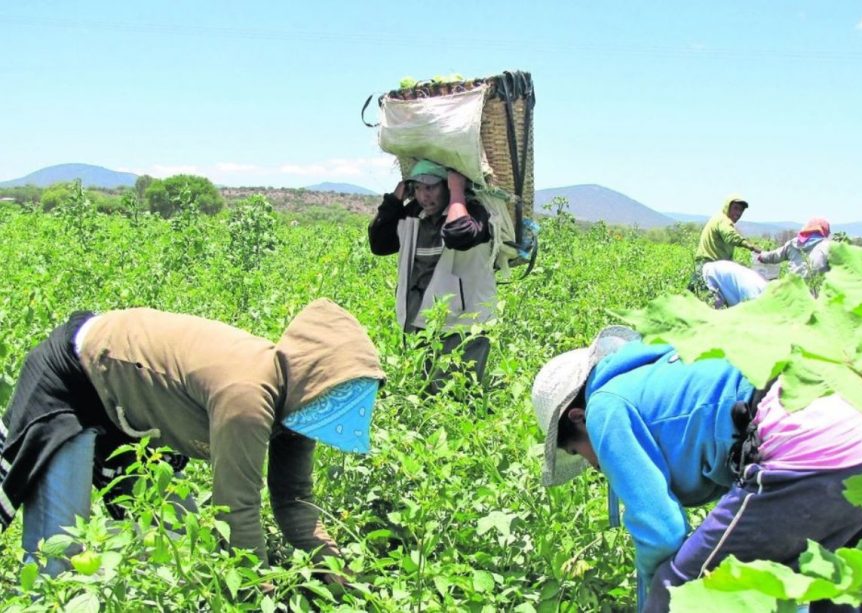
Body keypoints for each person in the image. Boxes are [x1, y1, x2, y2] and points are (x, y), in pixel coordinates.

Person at [0, 299, 385, 578]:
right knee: (59, 556)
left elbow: (294, 499)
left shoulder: (298, 407)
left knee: (177, 541)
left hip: (129, 412)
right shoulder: (247, 396)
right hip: (76, 375)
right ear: (314, 376)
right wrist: (255, 594)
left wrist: (337, 573)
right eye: (335, 395)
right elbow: (236, 511)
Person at [532, 326, 862, 612]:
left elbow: (661, 533)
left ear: (578, 417)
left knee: (679, 591)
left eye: (578, 452)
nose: (592, 465)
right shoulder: (663, 367)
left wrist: (650, 596)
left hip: (814, 447)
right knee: (845, 595)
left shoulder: (605, 408)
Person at [368, 159, 495, 392]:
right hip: (419, 320)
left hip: (463, 324)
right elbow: (379, 243)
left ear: (446, 185)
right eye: (417, 188)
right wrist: (395, 200)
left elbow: (459, 234)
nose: (424, 196)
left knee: (458, 395)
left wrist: (457, 193)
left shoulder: (474, 211)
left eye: (431, 187)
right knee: (423, 391)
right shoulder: (413, 214)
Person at [689, 196, 762, 294]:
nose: (738, 213)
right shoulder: (723, 220)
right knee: (709, 301)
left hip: (705, 265)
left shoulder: (718, 218)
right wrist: (750, 246)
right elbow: (730, 236)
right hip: (709, 267)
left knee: (690, 298)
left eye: (741, 210)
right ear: (728, 207)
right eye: (735, 208)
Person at [757, 217, 831, 279]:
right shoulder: (828, 246)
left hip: (794, 290)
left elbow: (775, 255)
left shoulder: (793, 244)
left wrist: (762, 256)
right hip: (817, 292)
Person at [701, 259, 768, 307]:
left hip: (749, 292)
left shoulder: (709, 273)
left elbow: (717, 303)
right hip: (762, 284)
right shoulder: (720, 266)